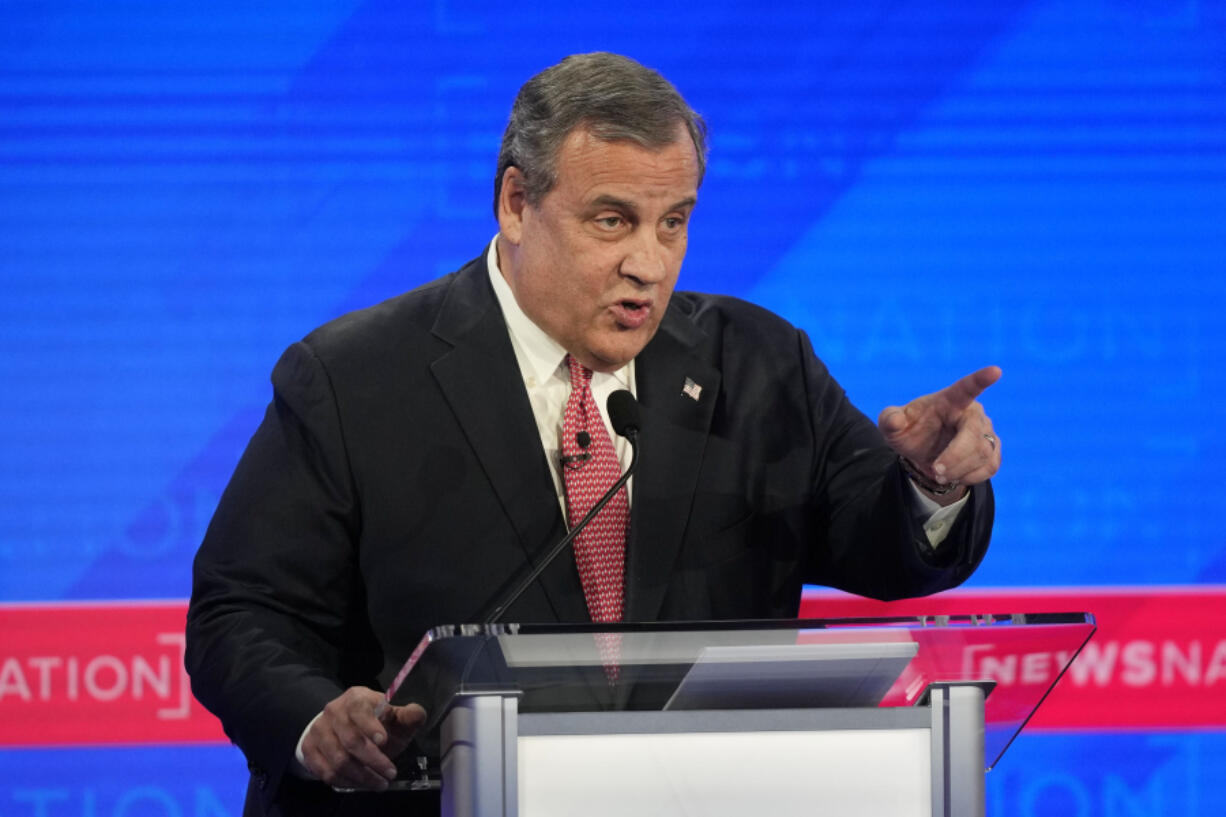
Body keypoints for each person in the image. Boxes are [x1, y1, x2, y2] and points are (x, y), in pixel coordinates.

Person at [186, 52, 1001, 816]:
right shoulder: (354, 376)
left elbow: (878, 539)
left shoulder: (758, 364)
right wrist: (317, 718)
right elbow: (241, 613)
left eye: (673, 222)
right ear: (515, 203)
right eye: (613, 221)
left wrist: (931, 484)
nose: (650, 263)